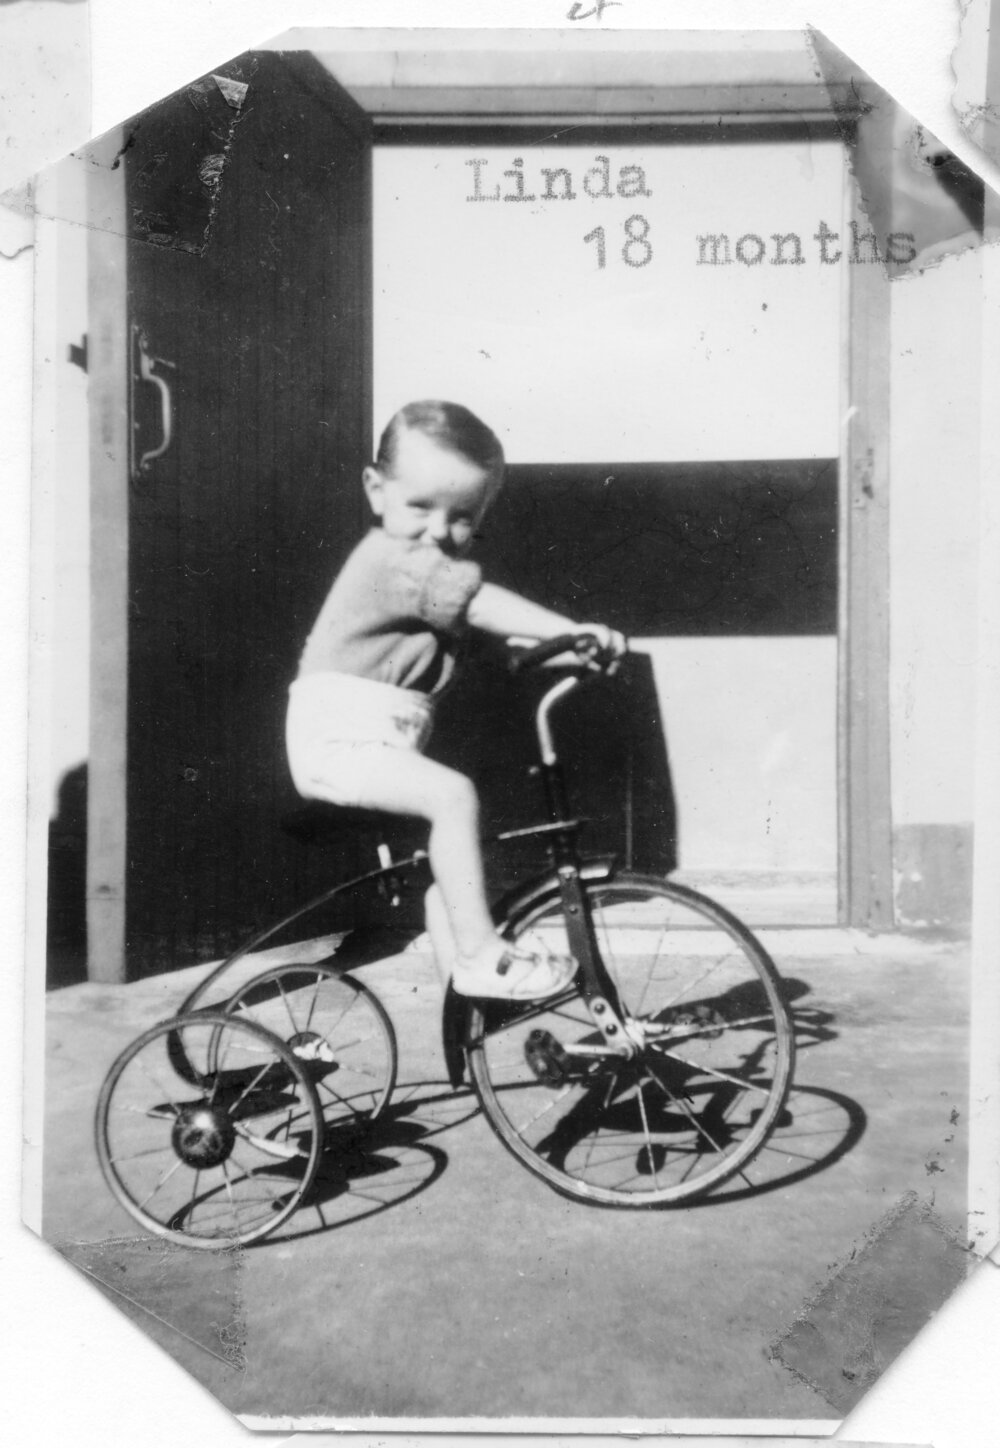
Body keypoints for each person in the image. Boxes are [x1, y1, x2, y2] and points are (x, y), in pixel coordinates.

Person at [286, 400, 625, 1000]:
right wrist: (574, 628)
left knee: (453, 872)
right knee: (453, 797)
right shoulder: (391, 560)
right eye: (420, 506)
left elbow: (494, 630)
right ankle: (480, 957)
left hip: (372, 735)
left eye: (462, 516)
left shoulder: (426, 568)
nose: (440, 530)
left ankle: (466, 1001)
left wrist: (575, 649)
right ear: (376, 489)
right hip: (338, 739)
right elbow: (480, 605)